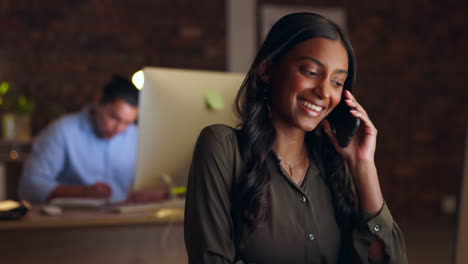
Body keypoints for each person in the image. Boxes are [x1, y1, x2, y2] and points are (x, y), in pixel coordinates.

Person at [184, 13, 407, 264]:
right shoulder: (222, 148)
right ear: (268, 69)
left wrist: (362, 164)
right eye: (311, 72)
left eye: (336, 82)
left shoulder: (335, 165)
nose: (324, 92)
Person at [18, 75, 167, 203]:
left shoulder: (137, 136)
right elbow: (30, 185)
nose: (119, 129)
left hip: (125, 221)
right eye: (114, 117)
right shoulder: (62, 131)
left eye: (128, 122)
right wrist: (82, 193)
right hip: (70, 224)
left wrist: (153, 192)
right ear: (98, 101)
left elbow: (157, 184)